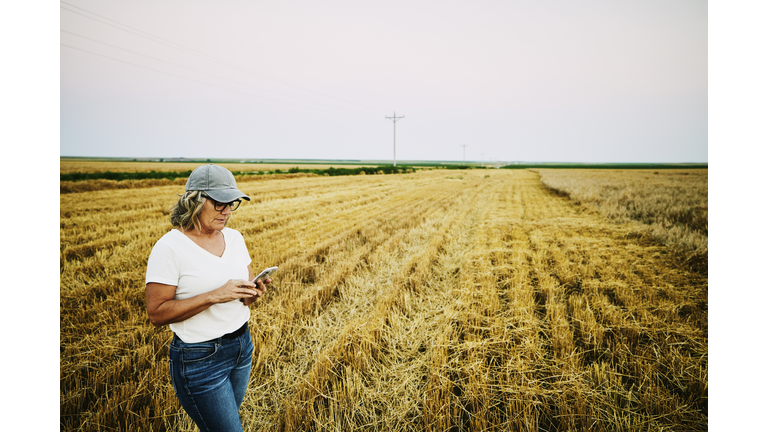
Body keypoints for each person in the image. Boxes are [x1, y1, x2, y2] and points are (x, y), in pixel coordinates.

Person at [145, 164, 270, 432]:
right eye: (219, 202)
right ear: (195, 200)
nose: (226, 210)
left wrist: (253, 293)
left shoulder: (235, 238)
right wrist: (213, 296)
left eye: (232, 203)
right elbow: (157, 314)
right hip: (200, 358)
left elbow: (242, 298)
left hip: (241, 347)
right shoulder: (169, 248)